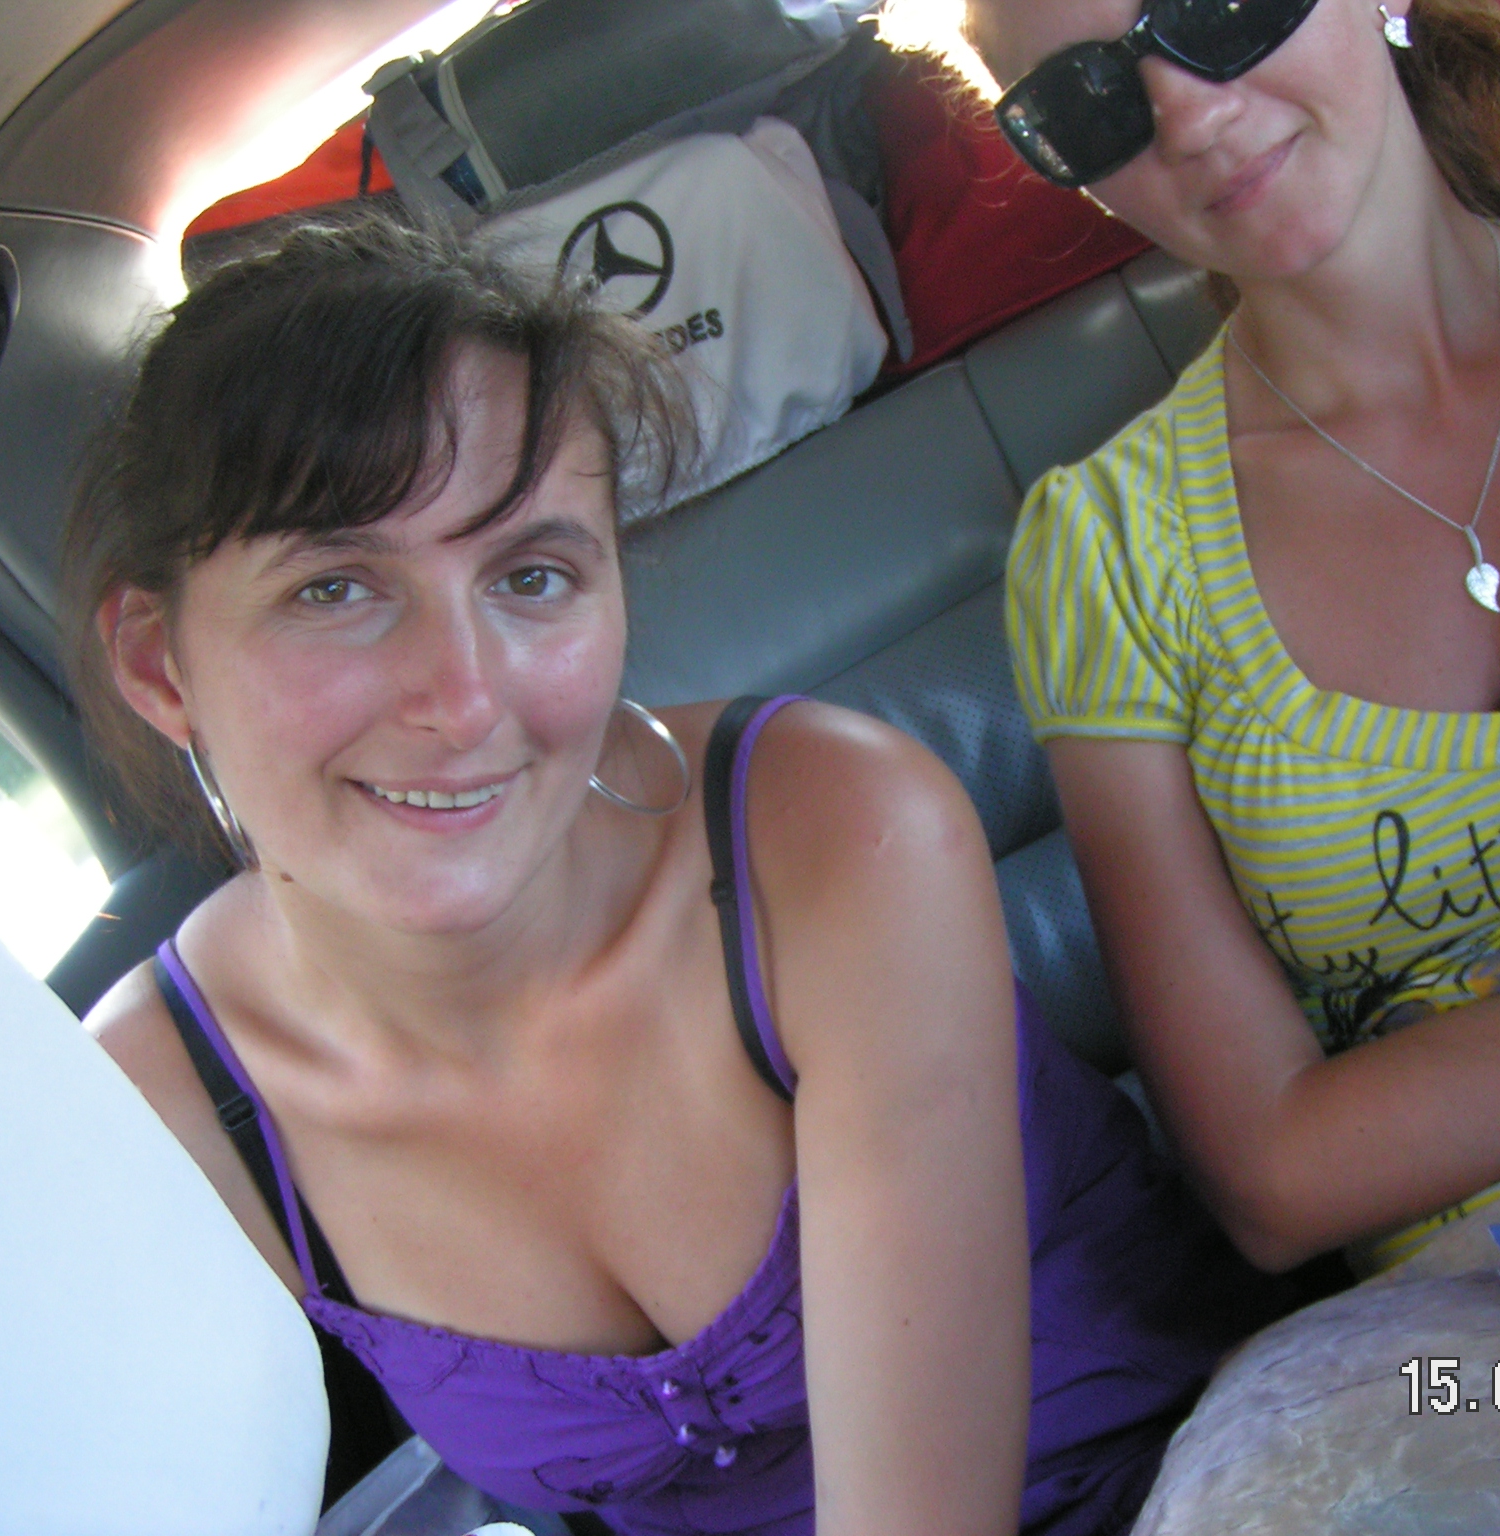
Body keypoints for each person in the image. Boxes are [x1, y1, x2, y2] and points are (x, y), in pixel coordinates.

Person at [61, 218, 1234, 1536]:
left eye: (533, 575)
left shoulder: (831, 830)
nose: (465, 697)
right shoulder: (162, 1109)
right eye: (335, 589)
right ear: (161, 665)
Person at [879, 0, 1500, 1271]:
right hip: (1490, 1340)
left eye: (1217, 10)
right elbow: (1274, 1178)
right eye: (1083, 101)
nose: (1183, 113)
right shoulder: (1106, 551)